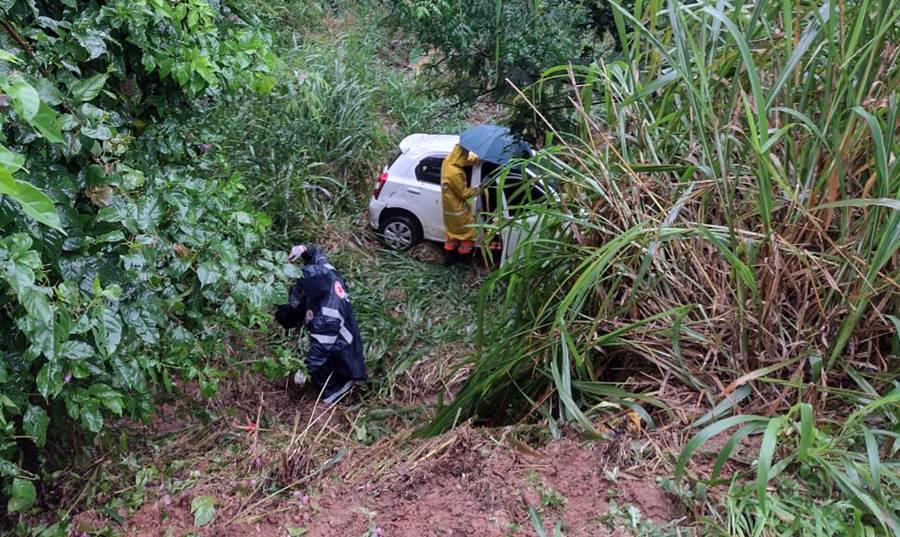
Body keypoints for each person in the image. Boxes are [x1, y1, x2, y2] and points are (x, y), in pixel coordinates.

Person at [274, 244, 367, 405]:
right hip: (342, 328)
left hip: (341, 345)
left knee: (328, 369)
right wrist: (303, 249)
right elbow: (316, 253)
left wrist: (305, 369)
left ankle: (336, 394)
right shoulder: (325, 271)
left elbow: (321, 350)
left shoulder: (327, 314)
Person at [441, 144, 480, 255]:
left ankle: (450, 249)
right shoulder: (454, 173)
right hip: (456, 207)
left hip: (447, 205)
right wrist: (477, 190)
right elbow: (463, 193)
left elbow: (462, 161)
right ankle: (462, 253)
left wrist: (475, 161)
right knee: (466, 230)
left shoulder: (448, 160)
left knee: (451, 230)